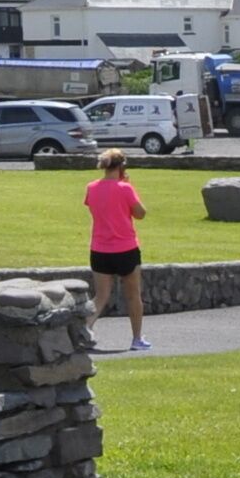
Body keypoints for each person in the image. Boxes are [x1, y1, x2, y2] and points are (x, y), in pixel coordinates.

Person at [85, 146, 152, 351]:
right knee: (133, 295)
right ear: (121, 167)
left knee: (101, 295)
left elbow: (92, 206)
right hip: (125, 248)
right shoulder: (125, 188)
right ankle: (137, 339)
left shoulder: (92, 187)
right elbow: (140, 213)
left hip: (100, 249)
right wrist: (127, 186)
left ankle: (84, 331)